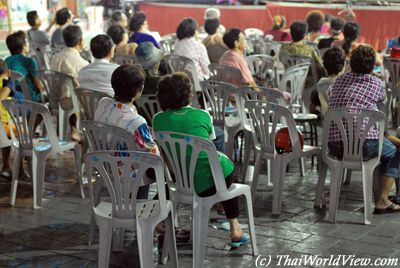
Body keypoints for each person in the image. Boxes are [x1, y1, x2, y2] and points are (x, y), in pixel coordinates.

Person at [153, 72, 250, 247]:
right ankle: (235, 227)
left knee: (217, 168)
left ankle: (162, 220)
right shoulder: (202, 116)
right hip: (211, 182)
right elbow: (209, 147)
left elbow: (165, 154)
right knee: (225, 168)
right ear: (189, 94)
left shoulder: (158, 120)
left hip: (181, 182)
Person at [328, 45, 400, 214]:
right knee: (395, 152)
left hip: (335, 146)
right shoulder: (376, 84)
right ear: (372, 66)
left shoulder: (338, 81)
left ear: (351, 63)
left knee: (384, 144)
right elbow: (382, 102)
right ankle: (382, 200)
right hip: (365, 147)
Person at [94, 64, 158, 156]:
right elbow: (152, 154)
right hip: (126, 168)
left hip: (102, 163)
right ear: (139, 90)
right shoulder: (137, 122)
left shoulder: (103, 103)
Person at [50, 25, 88, 142]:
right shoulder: (82, 63)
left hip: (54, 99)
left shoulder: (55, 58)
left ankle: (73, 129)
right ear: (81, 41)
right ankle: (79, 131)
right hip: (72, 103)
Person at [279, 21, 326, 86]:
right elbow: (321, 69)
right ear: (304, 35)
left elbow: (280, 59)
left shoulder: (283, 48)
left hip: (288, 81)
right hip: (306, 84)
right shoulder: (310, 50)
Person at [5, 31, 43, 103]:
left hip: (14, 100)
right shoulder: (29, 61)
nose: (28, 44)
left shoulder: (6, 61)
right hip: (31, 99)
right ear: (23, 47)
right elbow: (38, 86)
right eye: (27, 42)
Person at [317, 47, 346, 116]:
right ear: (343, 65)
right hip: (344, 121)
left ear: (325, 66)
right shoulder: (345, 84)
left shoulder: (320, 83)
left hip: (327, 121)